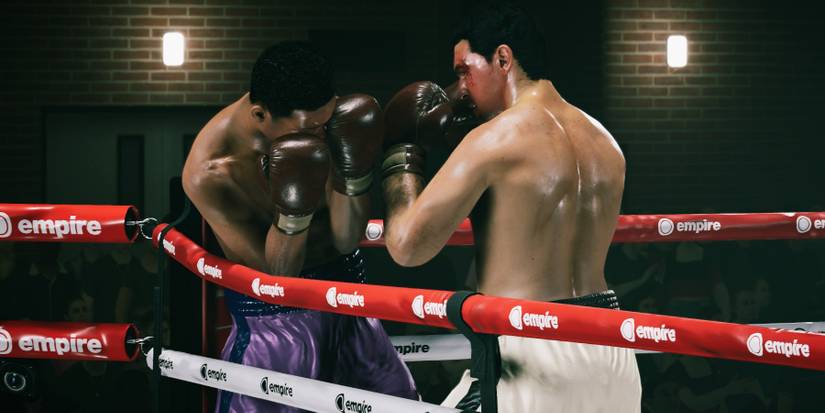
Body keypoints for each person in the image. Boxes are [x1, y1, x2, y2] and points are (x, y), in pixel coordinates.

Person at [380, 3, 641, 411]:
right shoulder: (606, 143)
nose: (460, 89)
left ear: (503, 59)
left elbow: (407, 247)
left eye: (464, 70)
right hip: (611, 347)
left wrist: (400, 156)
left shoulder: (494, 139)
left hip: (529, 348)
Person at [182, 41, 416, 412]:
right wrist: (293, 212)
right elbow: (277, 279)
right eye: (312, 128)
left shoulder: (323, 124)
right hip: (276, 325)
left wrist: (352, 176)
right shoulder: (212, 172)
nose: (324, 134)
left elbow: (346, 240)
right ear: (260, 115)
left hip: (348, 299)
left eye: (328, 120)